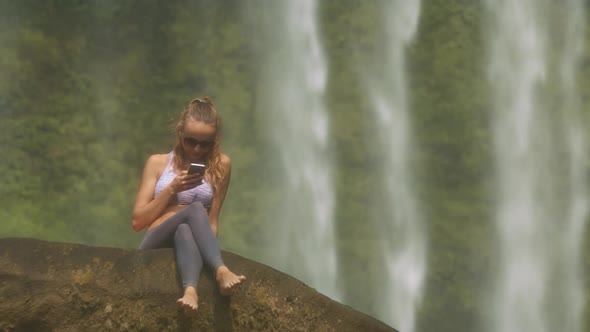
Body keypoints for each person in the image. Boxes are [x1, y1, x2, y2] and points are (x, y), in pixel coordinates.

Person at [131, 96, 246, 315]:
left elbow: (212, 221)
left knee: (185, 229)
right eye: (190, 141)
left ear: (215, 140)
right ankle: (220, 270)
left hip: (188, 242)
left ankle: (190, 290)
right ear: (180, 133)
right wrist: (172, 189)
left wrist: (205, 247)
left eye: (205, 144)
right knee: (194, 208)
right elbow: (138, 221)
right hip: (156, 239)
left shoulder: (222, 165)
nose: (196, 149)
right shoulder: (157, 163)